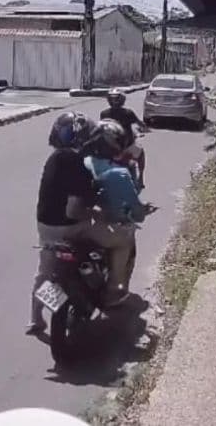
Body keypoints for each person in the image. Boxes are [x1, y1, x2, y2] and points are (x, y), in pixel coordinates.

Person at [28, 112, 137, 334]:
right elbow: (75, 210)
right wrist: (99, 214)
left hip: (46, 228)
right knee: (123, 239)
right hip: (71, 228)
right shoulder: (77, 164)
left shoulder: (54, 159)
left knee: (45, 272)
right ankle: (114, 291)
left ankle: (36, 319)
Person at [82, 119, 156, 301]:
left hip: (80, 223)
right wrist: (140, 214)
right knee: (125, 243)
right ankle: (114, 290)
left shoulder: (84, 162)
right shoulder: (119, 174)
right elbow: (136, 210)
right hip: (106, 227)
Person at [100, 89, 149, 188]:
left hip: (109, 147)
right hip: (126, 146)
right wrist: (145, 127)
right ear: (123, 100)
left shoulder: (104, 113)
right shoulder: (128, 113)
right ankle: (141, 178)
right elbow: (140, 124)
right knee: (141, 153)